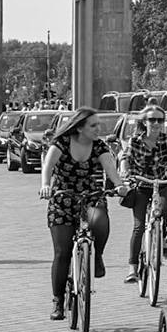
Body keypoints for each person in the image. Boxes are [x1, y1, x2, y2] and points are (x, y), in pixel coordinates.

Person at [38, 109, 126, 317]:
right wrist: (45, 185)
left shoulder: (99, 146)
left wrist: (120, 185)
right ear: (79, 128)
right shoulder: (60, 143)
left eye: (99, 125)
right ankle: (58, 302)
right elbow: (48, 166)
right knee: (62, 252)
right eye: (93, 125)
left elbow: (110, 169)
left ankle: (98, 256)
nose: (98, 129)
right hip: (62, 197)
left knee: (101, 220)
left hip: (91, 196)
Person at [118, 105, 167, 284]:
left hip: (162, 183)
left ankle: (163, 241)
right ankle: (133, 267)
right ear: (144, 122)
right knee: (139, 226)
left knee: (165, 213)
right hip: (142, 185)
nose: (156, 123)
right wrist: (124, 171)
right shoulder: (135, 140)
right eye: (152, 120)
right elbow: (125, 157)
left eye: (160, 120)